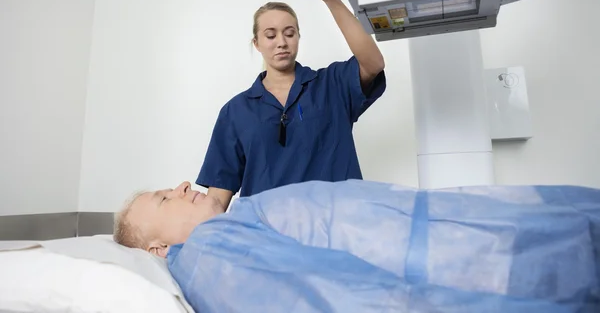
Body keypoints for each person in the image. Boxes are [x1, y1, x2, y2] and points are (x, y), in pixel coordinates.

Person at [114, 180, 600, 313]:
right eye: (163, 197)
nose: (181, 185)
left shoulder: (229, 226)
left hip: (475, 236)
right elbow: (331, 299)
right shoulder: (209, 256)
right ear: (157, 250)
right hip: (476, 266)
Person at [196, 0, 386, 211]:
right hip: (269, 236)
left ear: (298, 37)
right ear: (256, 43)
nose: (282, 42)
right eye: (271, 35)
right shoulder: (236, 111)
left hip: (338, 227)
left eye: (289, 33)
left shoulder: (331, 85)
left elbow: (373, 63)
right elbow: (217, 196)